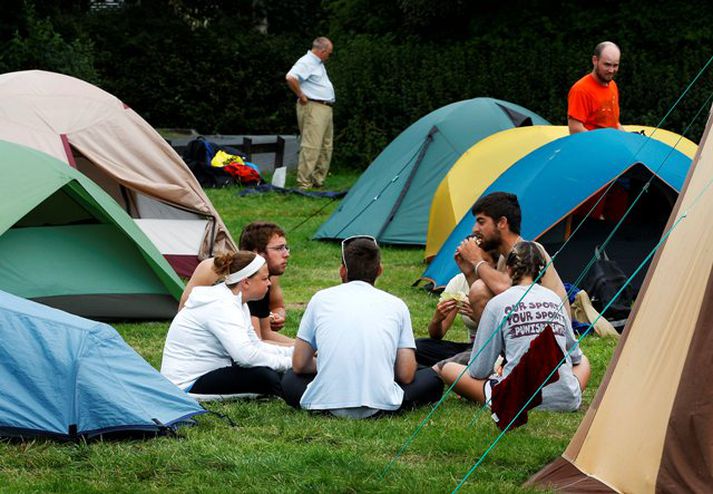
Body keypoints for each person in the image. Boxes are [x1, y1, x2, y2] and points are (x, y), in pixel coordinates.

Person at [281, 236, 443, 418]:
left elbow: (299, 365)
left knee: (290, 378)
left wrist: (333, 363)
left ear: (343, 271)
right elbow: (405, 375)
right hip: (381, 406)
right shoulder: (396, 305)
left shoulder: (320, 299)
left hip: (324, 404)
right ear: (380, 270)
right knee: (432, 378)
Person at [437, 242, 591, 410]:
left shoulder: (497, 303)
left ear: (508, 270)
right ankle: (563, 392)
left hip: (514, 399)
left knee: (448, 369)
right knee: (584, 361)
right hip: (565, 400)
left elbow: (478, 371)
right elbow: (575, 356)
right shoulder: (554, 299)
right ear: (542, 271)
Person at [161, 251, 293, 397]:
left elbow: (255, 345)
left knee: (269, 371)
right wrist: (292, 363)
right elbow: (246, 357)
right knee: (266, 377)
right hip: (188, 383)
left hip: (213, 370)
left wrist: (295, 353)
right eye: (264, 278)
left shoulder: (238, 301)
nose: (269, 283)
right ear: (246, 282)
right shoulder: (222, 305)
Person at [454, 192, 570, 326]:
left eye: (481, 222)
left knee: (480, 289)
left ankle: (493, 347)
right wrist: (469, 272)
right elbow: (491, 301)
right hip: (531, 328)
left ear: (502, 223)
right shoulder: (505, 257)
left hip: (551, 334)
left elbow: (507, 290)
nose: (475, 229)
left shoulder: (529, 250)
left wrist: (477, 260)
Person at [179, 222, 293, 345]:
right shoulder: (237, 280)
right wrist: (305, 351)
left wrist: (308, 348)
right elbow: (256, 345)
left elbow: (265, 333)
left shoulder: (263, 277)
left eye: (286, 248)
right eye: (279, 248)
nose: (286, 254)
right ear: (257, 252)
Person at [286, 37, 335, 190]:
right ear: (322, 51)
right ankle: (304, 182)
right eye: (329, 53)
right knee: (311, 145)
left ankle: (317, 180)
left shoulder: (318, 64)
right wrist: (301, 95)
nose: (329, 56)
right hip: (313, 106)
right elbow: (290, 77)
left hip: (325, 107)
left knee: (326, 146)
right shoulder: (307, 61)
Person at [415, 272, 478, 367]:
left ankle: (448, 367)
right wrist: (437, 320)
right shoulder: (460, 281)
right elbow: (437, 335)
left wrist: (479, 317)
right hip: (470, 349)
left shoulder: (501, 285)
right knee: (418, 347)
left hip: (494, 351)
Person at [568, 41, 624, 134]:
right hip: (591, 147)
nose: (611, 70)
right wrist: (602, 144)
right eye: (607, 64)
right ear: (595, 60)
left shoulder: (613, 85)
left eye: (615, 65)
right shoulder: (581, 90)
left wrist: (627, 139)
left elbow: (615, 123)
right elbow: (575, 129)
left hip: (611, 145)